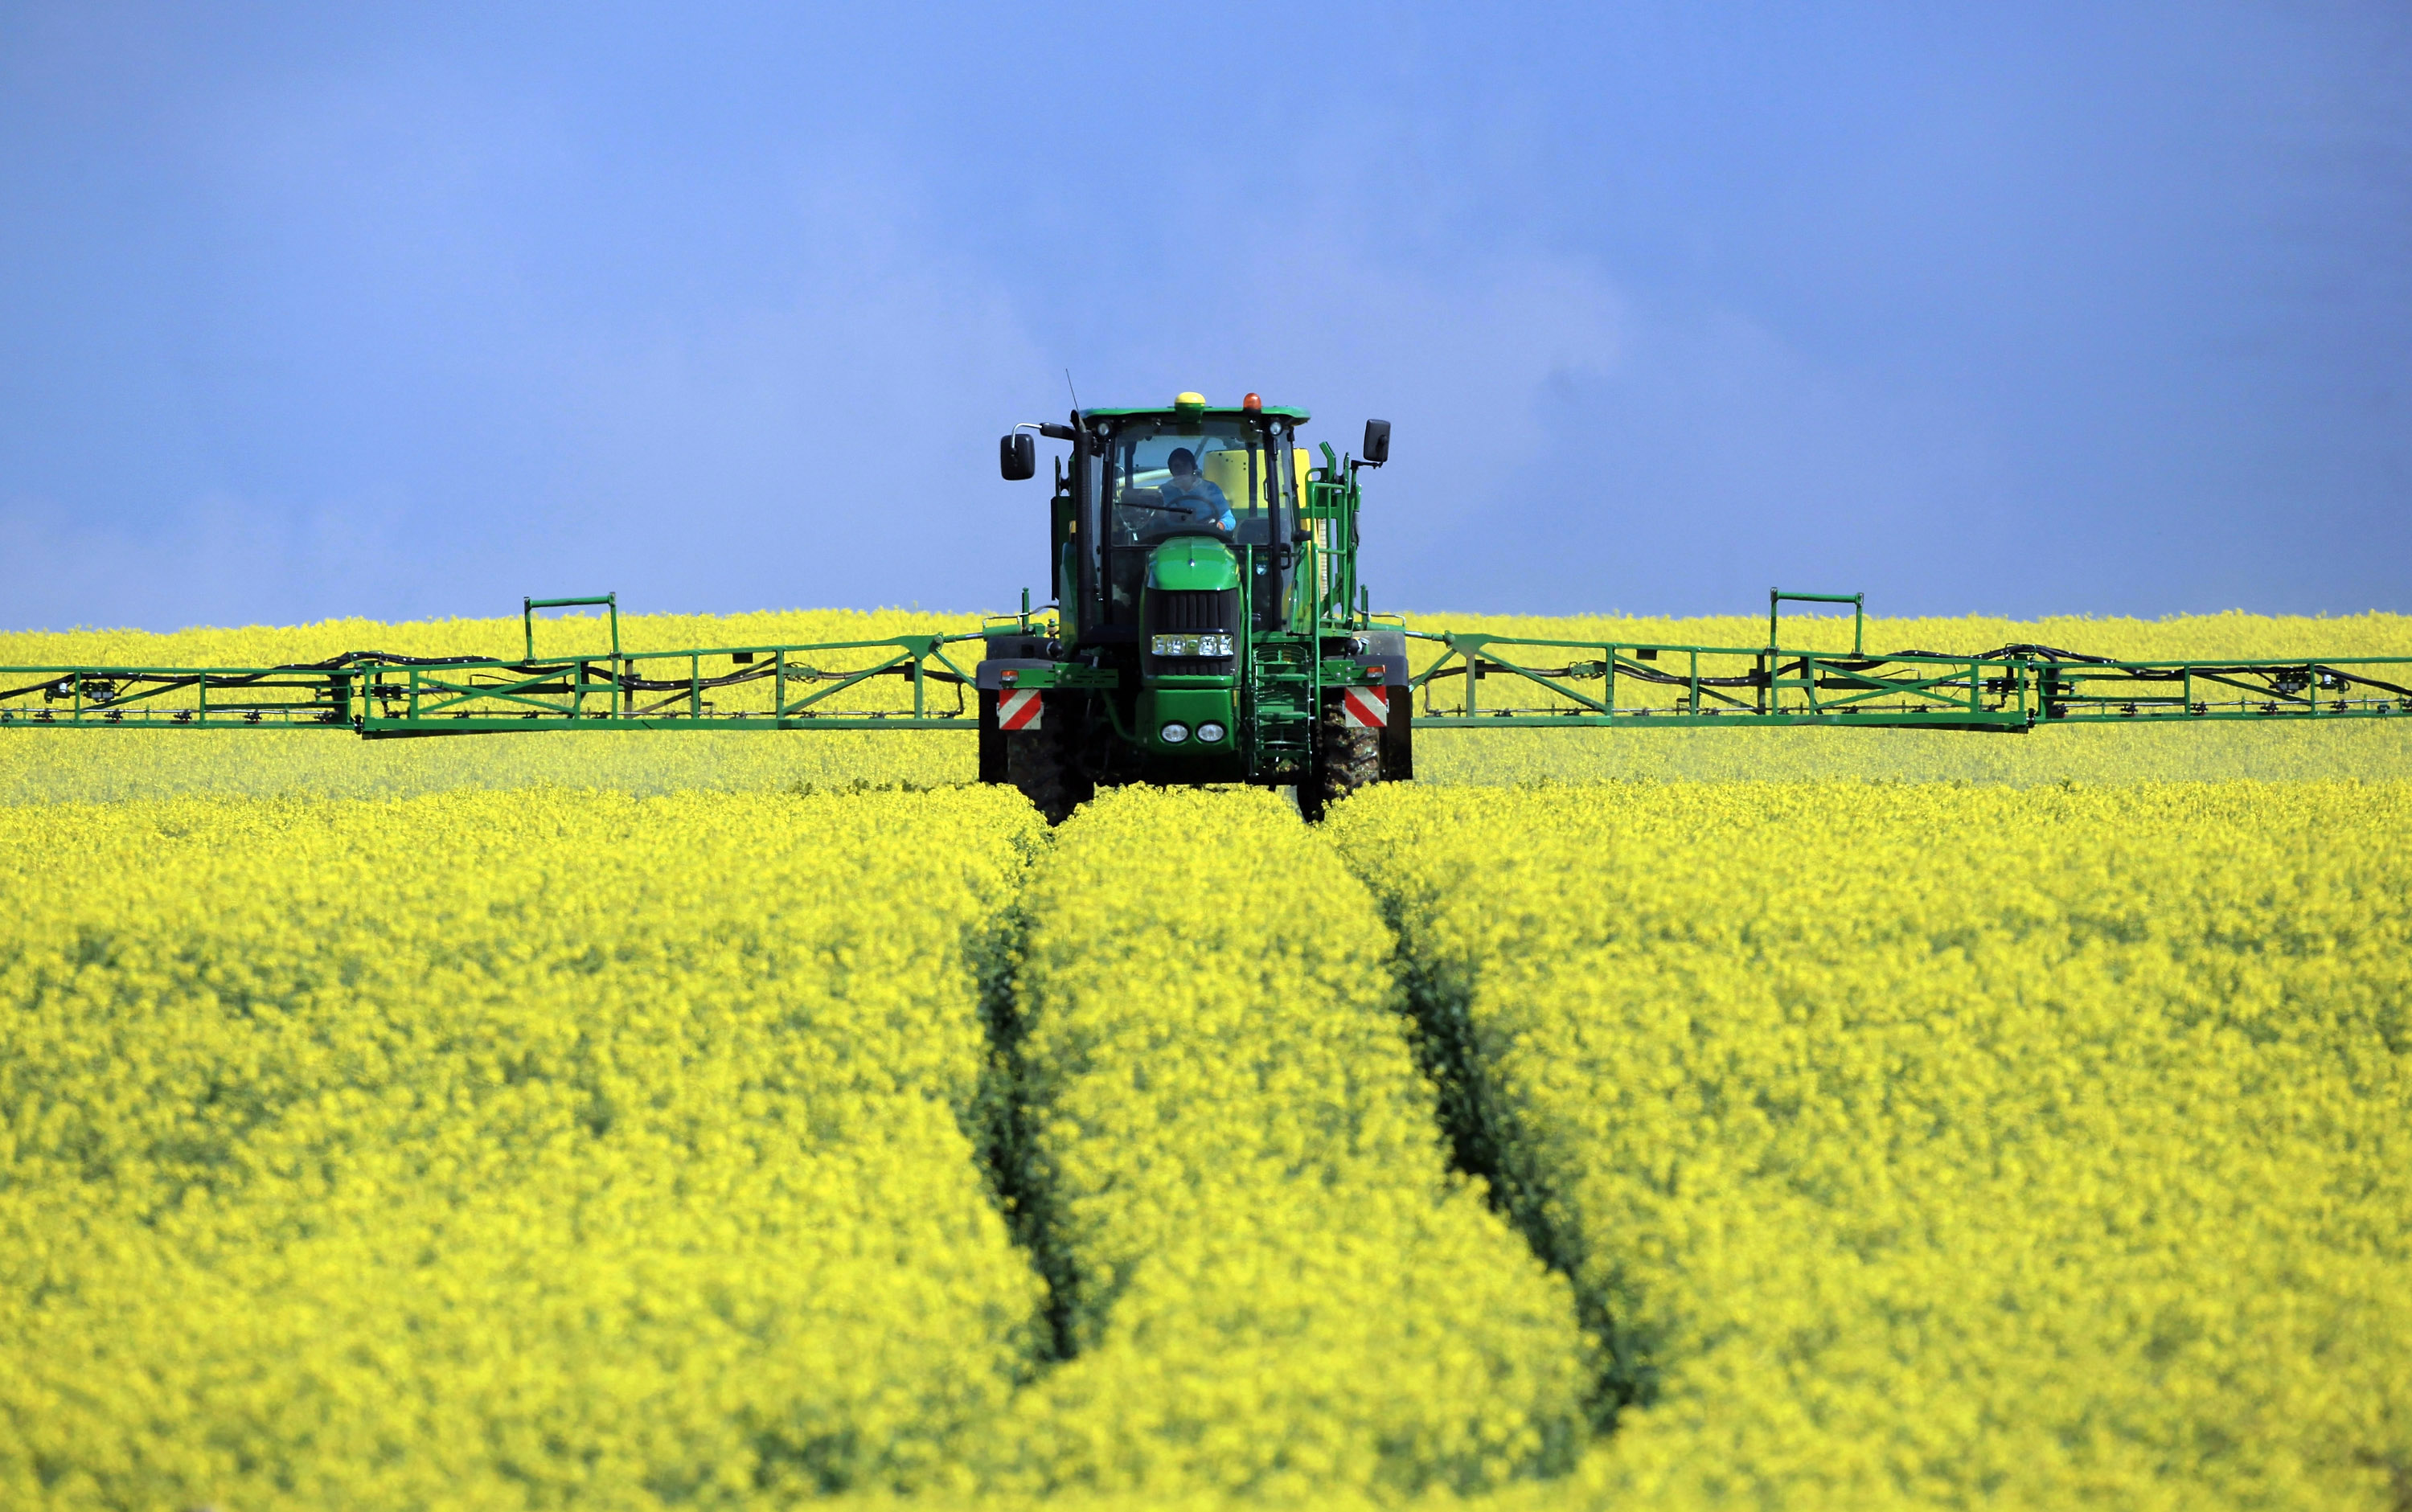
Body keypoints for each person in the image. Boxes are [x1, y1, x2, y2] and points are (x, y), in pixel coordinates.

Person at [1160, 447, 1236, 532]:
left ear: (1193, 467)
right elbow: (1156, 520)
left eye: (1185, 465)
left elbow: (1229, 519)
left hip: (1207, 538)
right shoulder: (1163, 491)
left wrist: (1217, 526)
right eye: (1177, 466)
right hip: (1172, 538)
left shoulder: (1211, 488)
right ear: (1171, 470)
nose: (1181, 470)